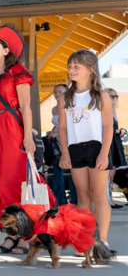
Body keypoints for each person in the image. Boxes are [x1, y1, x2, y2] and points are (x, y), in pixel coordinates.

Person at [0, 24, 55, 256]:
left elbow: (26, 106)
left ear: (6, 50)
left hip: (12, 131)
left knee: (16, 182)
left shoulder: (18, 72)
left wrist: (28, 136)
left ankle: (25, 236)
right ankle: (11, 234)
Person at [59, 50, 114, 249]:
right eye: (70, 66)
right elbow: (63, 128)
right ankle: (86, 240)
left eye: (76, 66)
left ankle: (103, 241)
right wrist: (65, 152)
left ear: (90, 69)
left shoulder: (100, 95)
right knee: (82, 197)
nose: (71, 70)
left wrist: (103, 153)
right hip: (75, 149)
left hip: (96, 147)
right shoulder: (65, 96)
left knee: (99, 195)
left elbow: (108, 126)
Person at [105, 88, 127, 208]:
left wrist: (122, 130)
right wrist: (117, 131)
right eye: (111, 96)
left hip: (115, 143)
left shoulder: (113, 111)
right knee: (108, 174)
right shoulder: (103, 110)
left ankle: (110, 199)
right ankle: (108, 200)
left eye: (115, 96)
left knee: (112, 174)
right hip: (109, 144)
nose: (114, 99)